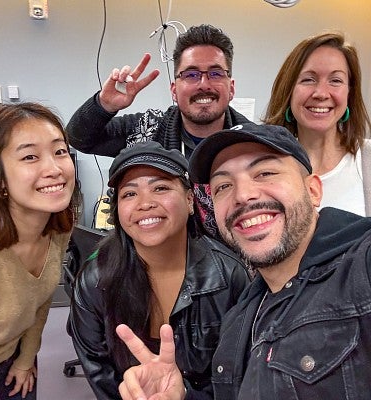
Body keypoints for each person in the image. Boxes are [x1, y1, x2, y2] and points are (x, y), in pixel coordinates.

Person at [115, 123, 371, 399]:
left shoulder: (360, 268)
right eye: (224, 185)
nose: (242, 195)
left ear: (313, 190)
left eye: (265, 173)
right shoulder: (242, 316)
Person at [67, 141, 250, 399]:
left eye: (160, 187)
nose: (145, 203)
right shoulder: (94, 281)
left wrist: (184, 395)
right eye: (129, 194)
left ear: (189, 200)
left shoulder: (229, 277)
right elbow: (100, 373)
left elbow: (237, 378)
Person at [66, 24, 250, 238]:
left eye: (215, 73)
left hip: (231, 266)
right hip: (157, 258)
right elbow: (78, 138)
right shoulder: (146, 128)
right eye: (191, 75)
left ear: (232, 87)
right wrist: (104, 105)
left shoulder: (251, 143)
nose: (203, 84)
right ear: (174, 90)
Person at [0, 103, 77, 400]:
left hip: (13, 360)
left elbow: (40, 301)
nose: (54, 169)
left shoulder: (57, 229)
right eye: (30, 156)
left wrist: (26, 358)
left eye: (59, 151)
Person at [263, 31, 371, 216]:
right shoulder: (264, 165)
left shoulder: (367, 159)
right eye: (308, 80)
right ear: (288, 91)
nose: (321, 93)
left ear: (349, 93)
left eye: (335, 80)